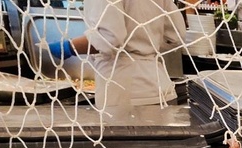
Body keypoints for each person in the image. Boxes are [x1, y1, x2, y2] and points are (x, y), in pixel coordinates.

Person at [47, 0, 185, 113]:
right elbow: (176, 35)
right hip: (162, 88)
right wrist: (144, 46)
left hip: (125, 93)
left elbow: (108, 39)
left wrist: (68, 47)